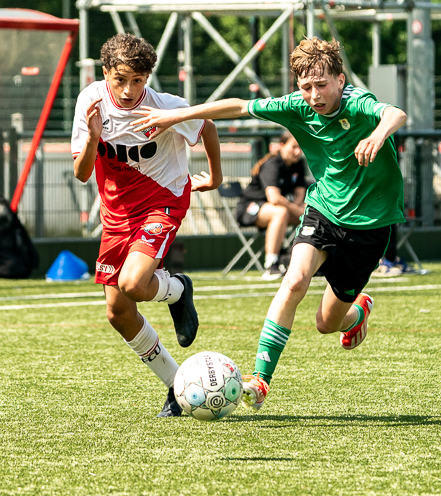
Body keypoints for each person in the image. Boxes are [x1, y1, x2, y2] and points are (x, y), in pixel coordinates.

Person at [133, 36, 407, 411]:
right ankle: (260, 380)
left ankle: (357, 312)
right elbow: (239, 106)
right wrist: (178, 115)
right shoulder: (295, 106)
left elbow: (395, 114)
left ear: (340, 80)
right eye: (306, 86)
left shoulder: (358, 103)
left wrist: (377, 134)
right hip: (324, 210)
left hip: (371, 226)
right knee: (293, 281)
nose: (314, 95)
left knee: (326, 323)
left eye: (322, 84)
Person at [71, 33, 223, 418]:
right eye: (120, 79)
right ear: (106, 72)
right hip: (116, 215)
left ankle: (177, 289)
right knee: (118, 313)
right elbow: (82, 173)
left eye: (137, 81)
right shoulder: (90, 101)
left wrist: (216, 177)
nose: (128, 90)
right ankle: (176, 384)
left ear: (147, 77)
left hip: (162, 202)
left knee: (134, 284)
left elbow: (205, 126)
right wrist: (92, 138)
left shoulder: (166, 107)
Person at [237, 131, 307, 279]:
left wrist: (300, 210)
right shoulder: (272, 164)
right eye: (294, 147)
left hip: (280, 208)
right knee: (280, 212)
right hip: (251, 208)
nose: (298, 152)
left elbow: (300, 193)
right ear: (282, 146)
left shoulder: (298, 164)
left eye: (300, 147)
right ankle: (271, 264)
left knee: (312, 212)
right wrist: (297, 211)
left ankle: (299, 259)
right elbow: (274, 198)